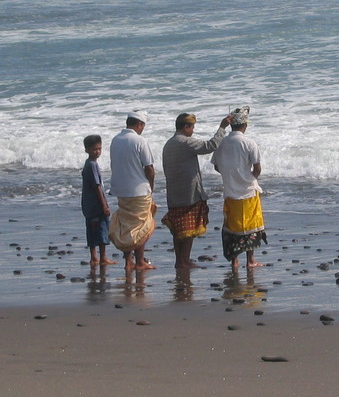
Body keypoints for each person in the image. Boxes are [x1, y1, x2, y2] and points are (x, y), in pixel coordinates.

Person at [161, 111, 232, 268]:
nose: (193, 130)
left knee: (178, 229)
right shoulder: (186, 142)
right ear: (185, 127)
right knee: (188, 229)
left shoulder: (168, 144)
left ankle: (179, 260)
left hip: (173, 192)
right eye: (192, 127)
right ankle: (185, 261)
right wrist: (222, 128)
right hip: (189, 192)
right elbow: (210, 146)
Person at [212, 106, 267, 273]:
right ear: (245, 125)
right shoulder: (249, 143)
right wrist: (250, 177)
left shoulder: (222, 143)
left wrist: (230, 175)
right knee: (251, 225)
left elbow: (216, 166)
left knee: (232, 227)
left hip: (230, 191)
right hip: (248, 190)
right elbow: (257, 168)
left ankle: (234, 261)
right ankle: (250, 260)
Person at [108, 110, 156, 271]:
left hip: (121, 189)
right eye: (143, 126)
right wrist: (151, 186)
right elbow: (149, 168)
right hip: (139, 190)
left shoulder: (115, 140)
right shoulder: (139, 141)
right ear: (139, 124)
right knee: (141, 226)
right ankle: (140, 261)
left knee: (127, 226)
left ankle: (128, 261)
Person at [80, 134, 114, 266]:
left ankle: (94, 257)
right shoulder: (92, 165)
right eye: (94, 149)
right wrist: (104, 205)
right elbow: (97, 186)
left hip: (88, 205)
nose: (97, 152)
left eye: (99, 149)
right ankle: (103, 257)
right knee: (101, 230)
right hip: (96, 205)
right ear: (87, 150)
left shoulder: (88, 164)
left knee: (91, 230)